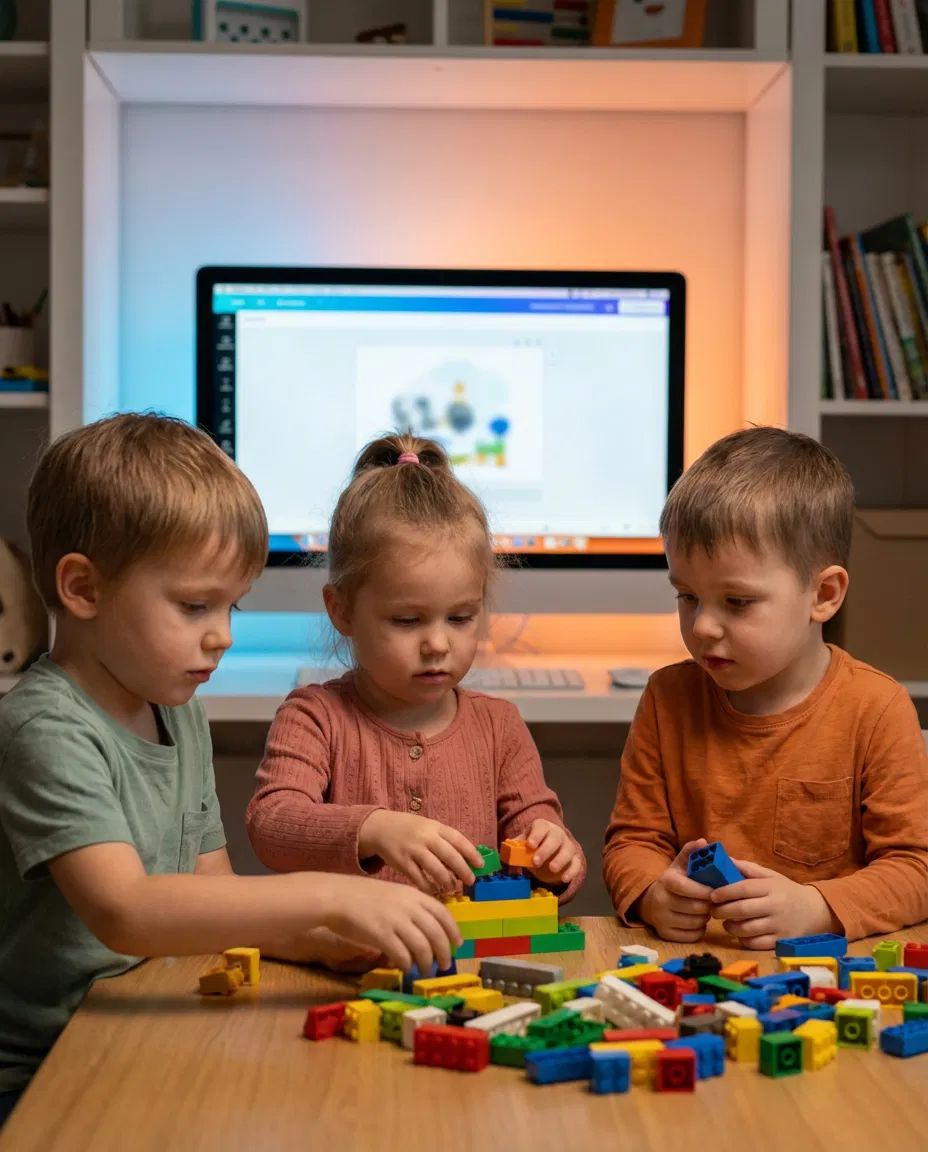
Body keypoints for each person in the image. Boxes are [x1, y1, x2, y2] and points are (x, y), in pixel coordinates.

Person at [0, 414, 459, 1121]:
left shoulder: (173, 704)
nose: (221, 636)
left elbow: (209, 891)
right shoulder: (43, 725)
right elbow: (127, 909)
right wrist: (333, 898)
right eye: (194, 606)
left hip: (145, 1021)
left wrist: (313, 943)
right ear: (83, 589)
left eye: (230, 605)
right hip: (47, 1066)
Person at [602, 426, 928, 948]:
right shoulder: (667, 699)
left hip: (825, 979)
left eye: (737, 602)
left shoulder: (877, 708)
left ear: (823, 594)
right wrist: (650, 894)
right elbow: (633, 842)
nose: (703, 626)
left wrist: (817, 907)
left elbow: (916, 870)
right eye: (687, 596)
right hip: (699, 969)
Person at [247, 433, 585, 899]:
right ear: (341, 610)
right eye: (407, 620)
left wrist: (554, 854)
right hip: (351, 964)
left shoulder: (499, 726)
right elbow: (272, 824)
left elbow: (539, 835)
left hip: (470, 963)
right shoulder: (313, 717)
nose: (437, 644)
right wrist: (375, 828)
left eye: (461, 617)